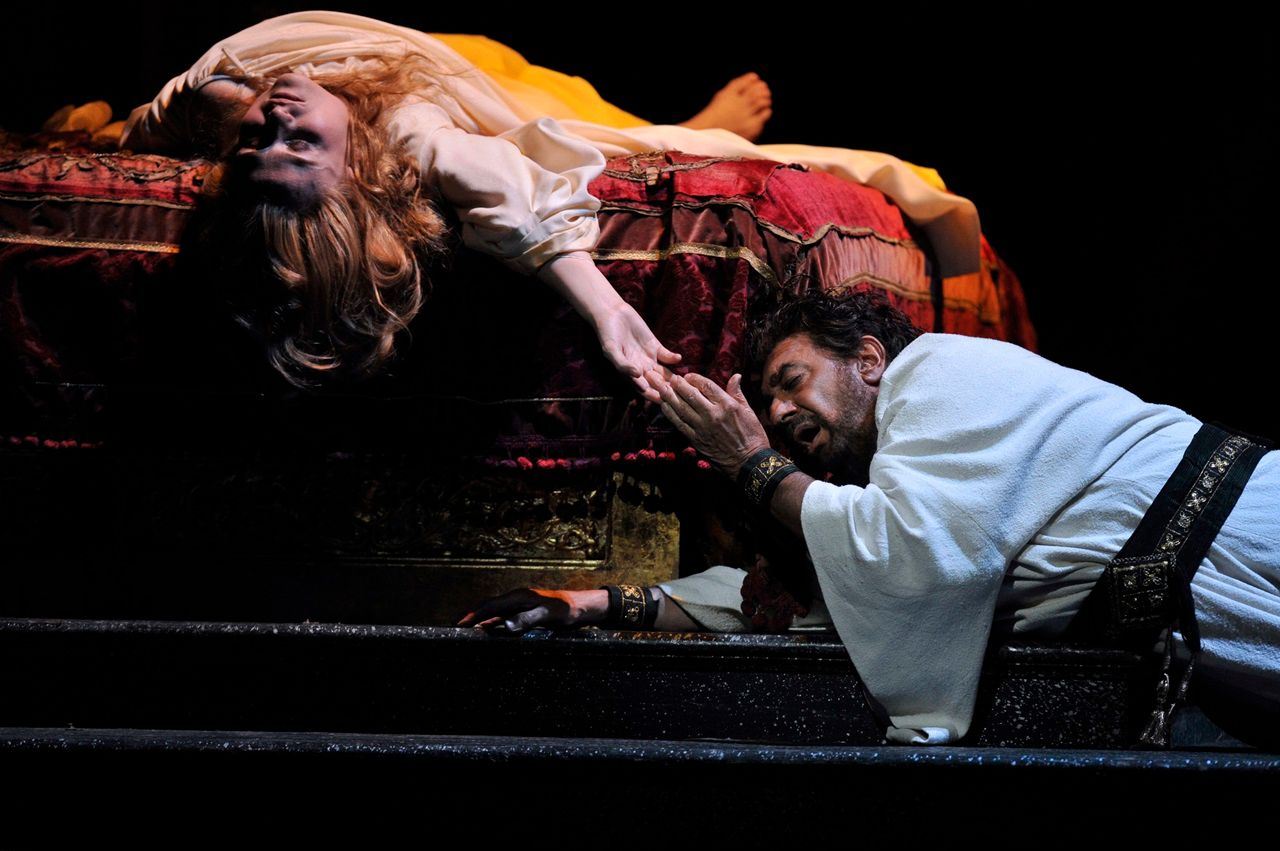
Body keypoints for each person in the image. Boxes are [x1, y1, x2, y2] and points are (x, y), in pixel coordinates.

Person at [462, 290, 1280, 748]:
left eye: (792, 380)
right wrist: (596, 603)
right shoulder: (891, 483)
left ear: (868, 360)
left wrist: (753, 464)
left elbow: (909, 554)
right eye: (770, 404)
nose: (780, 412)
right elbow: (801, 597)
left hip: (1254, 539)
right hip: (1222, 631)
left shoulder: (938, 374)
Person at [120, 10, 979, 395]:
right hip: (452, 85)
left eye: (258, 145)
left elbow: (151, 125)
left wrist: (206, 110)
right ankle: (682, 128)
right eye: (295, 146)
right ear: (355, 174)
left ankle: (662, 120)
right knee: (594, 130)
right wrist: (605, 310)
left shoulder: (224, 107)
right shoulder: (409, 136)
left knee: (531, 75)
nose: (274, 123)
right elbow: (516, 203)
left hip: (439, 50)